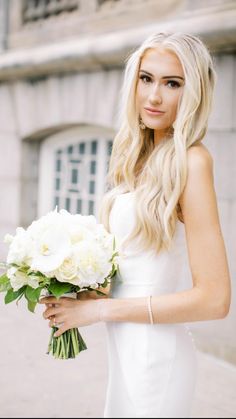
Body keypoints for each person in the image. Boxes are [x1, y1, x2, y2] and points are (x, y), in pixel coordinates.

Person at [40, 32, 231, 418]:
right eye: (146, 78)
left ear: (193, 92)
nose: (154, 96)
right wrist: (78, 296)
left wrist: (100, 312)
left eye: (172, 83)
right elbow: (138, 266)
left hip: (155, 359)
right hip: (126, 350)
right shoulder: (136, 157)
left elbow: (215, 299)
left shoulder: (192, 162)